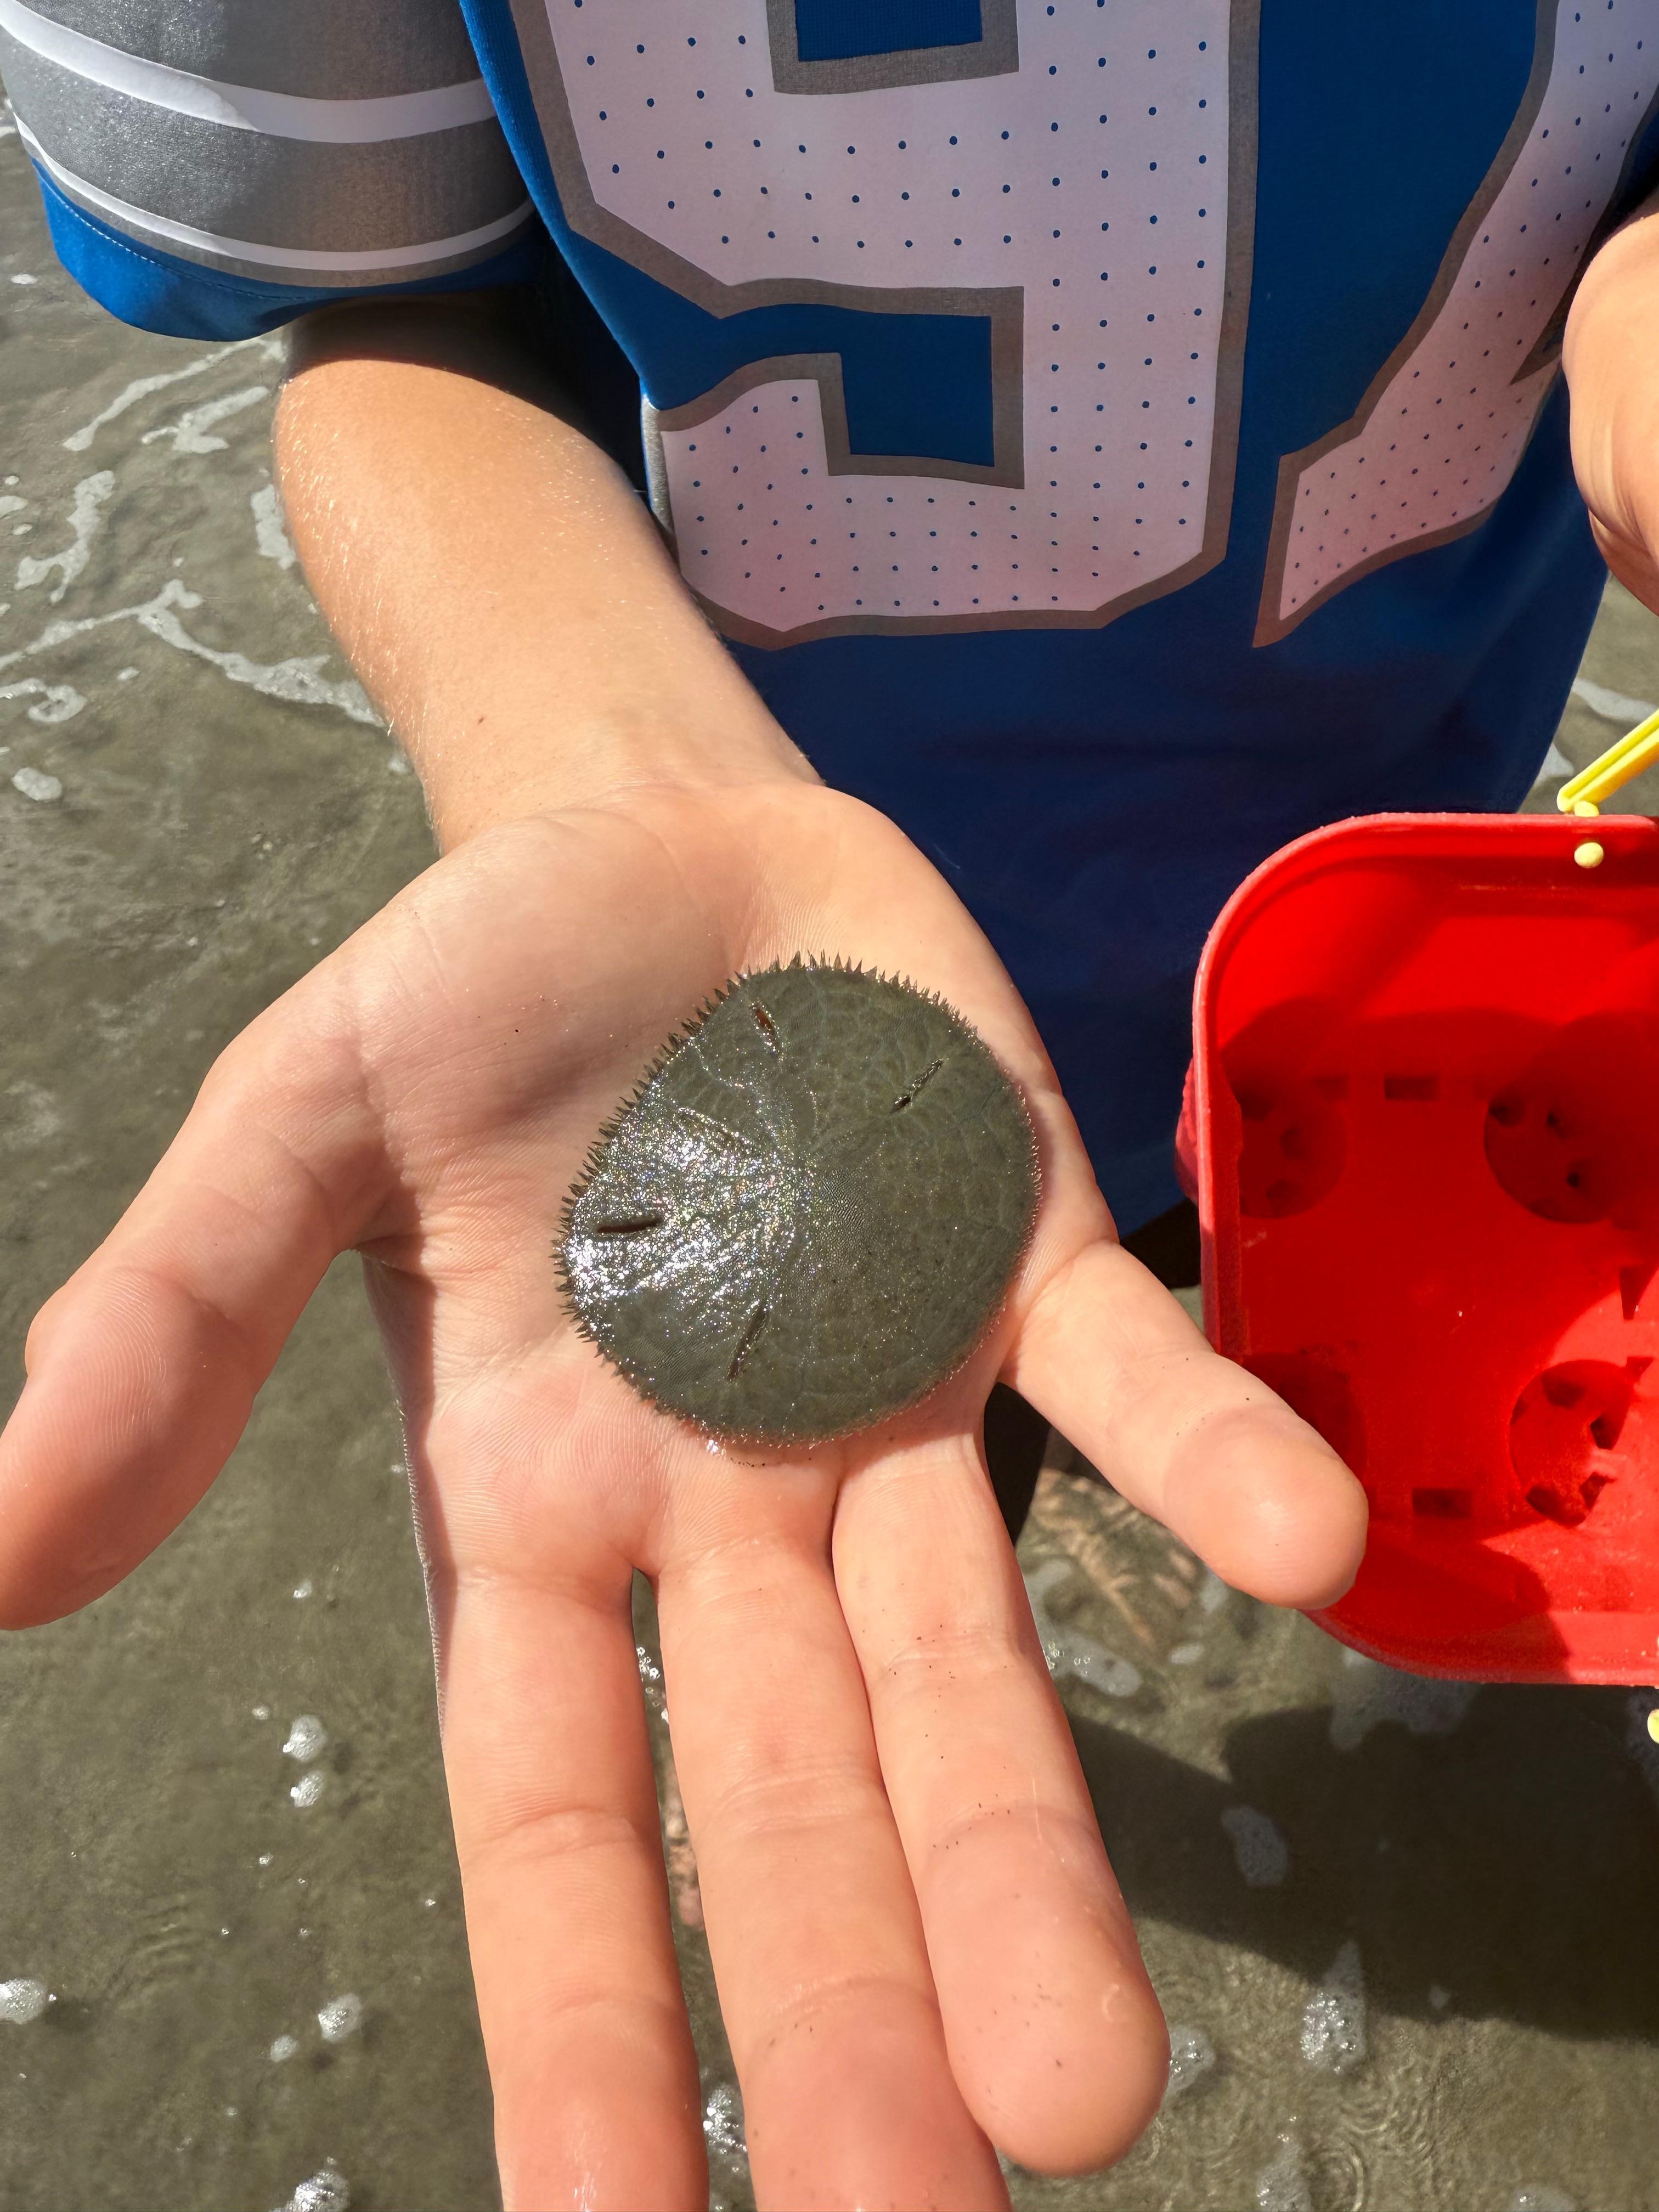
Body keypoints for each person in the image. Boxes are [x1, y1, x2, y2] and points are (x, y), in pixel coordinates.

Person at [0, 2, 1655, 2204]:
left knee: (1152, 1278)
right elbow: (390, 305)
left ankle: (1082, 1454)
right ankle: (937, 1571)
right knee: (904, 1406)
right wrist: (596, 765)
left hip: (1333, 931)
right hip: (746, 901)